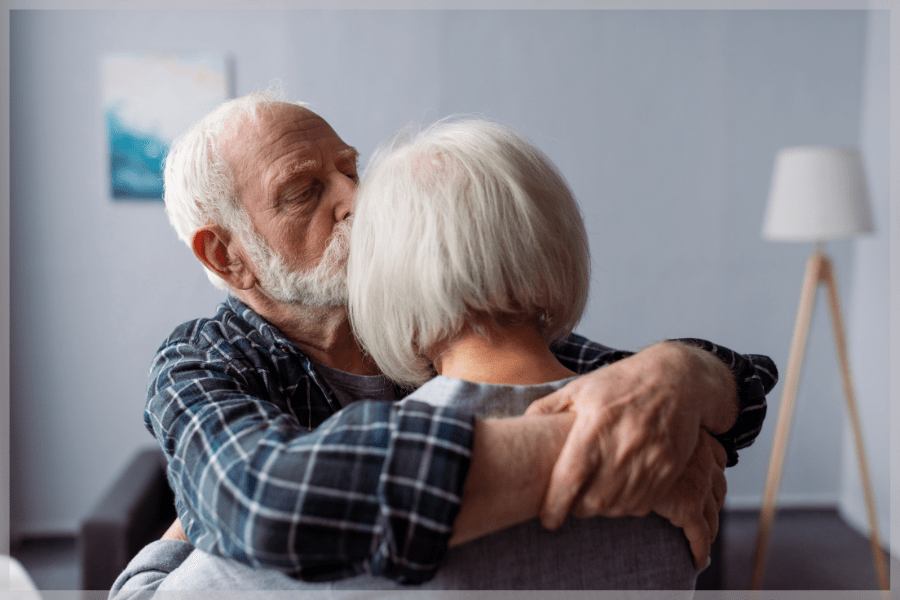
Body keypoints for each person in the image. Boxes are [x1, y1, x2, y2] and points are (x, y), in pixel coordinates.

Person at [115, 91, 775, 592]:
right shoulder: (203, 363)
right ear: (227, 256)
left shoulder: (457, 321)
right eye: (305, 190)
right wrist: (597, 448)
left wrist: (683, 375)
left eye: (352, 169)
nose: (355, 198)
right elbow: (264, 500)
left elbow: (706, 395)